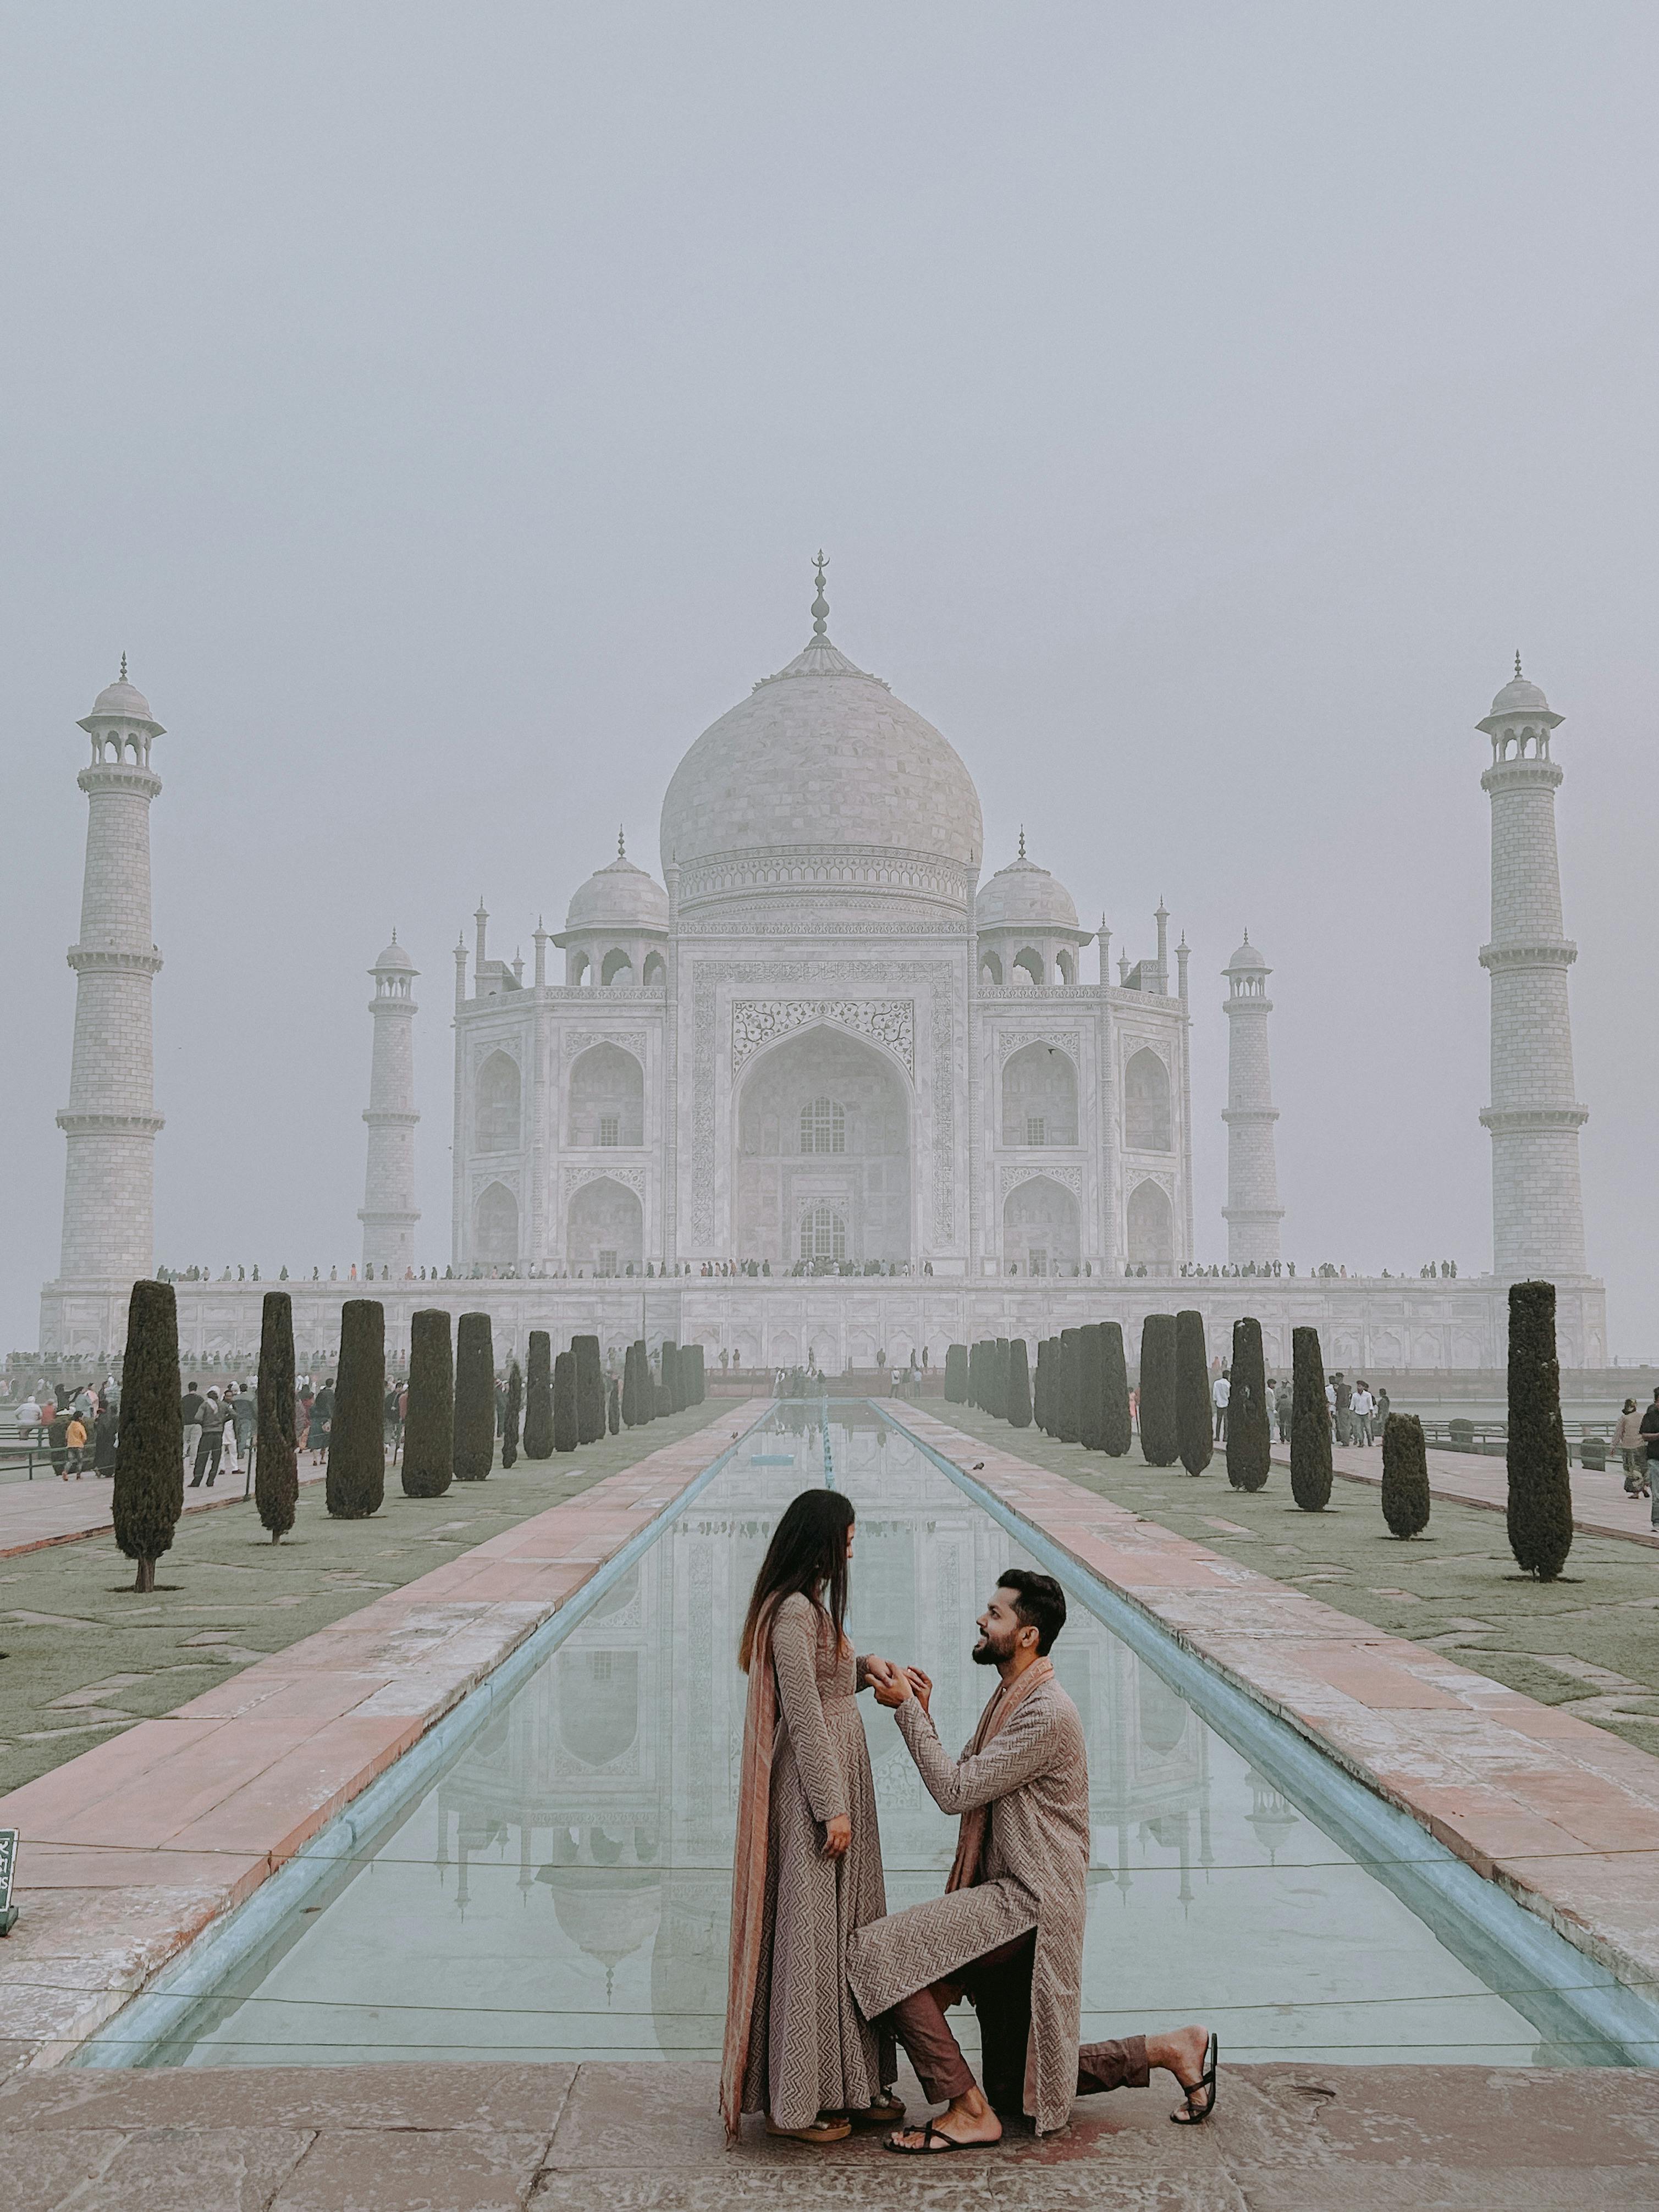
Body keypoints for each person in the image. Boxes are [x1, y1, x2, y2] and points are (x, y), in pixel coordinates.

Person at [849, 1571, 1216, 2149]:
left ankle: (968, 2112)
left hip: (1028, 1900)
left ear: (1027, 1635)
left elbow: (953, 1795)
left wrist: (907, 1716)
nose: (980, 1619)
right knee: (1017, 2078)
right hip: (1009, 1892)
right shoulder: (1011, 1697)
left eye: (994, 1614)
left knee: (877, 1954)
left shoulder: (1045, 1713)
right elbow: (967, 1778)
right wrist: (922, 1712)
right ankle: (1168, 2049)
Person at [720, 1489, 902, 2148]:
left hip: (835, 1779)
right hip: (812, 1792)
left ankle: (848, 2083)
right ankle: (796, 2103)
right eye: (847, 1534)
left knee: (841, 1935)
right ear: (821, 1539)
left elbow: (822, 1681)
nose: (853, 1544)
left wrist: (864, 1667)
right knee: (809, 1941)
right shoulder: (793, 1612)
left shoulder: (808, 1607)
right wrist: (831, 1808)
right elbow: (800, 1710)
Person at [191, 1387, 229, 1487]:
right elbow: (233, 1414)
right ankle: (211, 1480)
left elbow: (198, 1418)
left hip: (207, 1434)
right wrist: (222, 1421)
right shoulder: (223, 1405)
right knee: (216, 1458)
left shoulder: (205, 1405)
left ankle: (197, 1480)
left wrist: (205, 1423)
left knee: (202, 1457)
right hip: (218, 1434)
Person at [231, 1382, 257, 1483]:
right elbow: (254, 1409)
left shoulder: (235, 1398)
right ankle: (240, 1452)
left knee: (237, 1435)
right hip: (247, 1418)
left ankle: (238, 1449)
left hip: (237, 1418)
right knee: (244, 1435)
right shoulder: (250, 1397)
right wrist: (256, 1417)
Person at [1641, 1389, 1659, 1527]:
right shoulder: (1650, 1416)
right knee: (1658, 1493)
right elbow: (1645, 1435)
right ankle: (1657, 1522)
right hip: (1655, 1459)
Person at [181, 1380, 205, 1476]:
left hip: (186, 1423)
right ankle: (192, 1461)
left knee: (185, 1442)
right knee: (195, 1443)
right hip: (197, 1423)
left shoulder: (184, 1399)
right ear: (196, 1388)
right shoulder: (200, 1399)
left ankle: (183, 1455)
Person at [308, 1377, 334, 1466]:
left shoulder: (320, 1395)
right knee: (325, 1440)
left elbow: (312, 1409)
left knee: (315, 1439)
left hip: (316, 1421)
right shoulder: (332, 1395)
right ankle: (323, 1458)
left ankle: (315, 1459)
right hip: (326, 1421)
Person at [92, 1393, 118, 1479]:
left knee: (101, 1454)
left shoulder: (100, 1417)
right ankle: (107, 1470)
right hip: (108, 1439)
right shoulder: (109, 1417)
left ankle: (101, 1469)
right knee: (108, 1455)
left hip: (101, 1439)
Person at [1351, 1381, 1375, 1448]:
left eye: (1360, 1386)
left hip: (1366, 1413)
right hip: (1358, 1413)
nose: (1359, 1388)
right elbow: (1352, 1405)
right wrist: (1351, 1413)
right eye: (1358, 1386)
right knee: (1359, 1429)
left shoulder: (1368, 1395)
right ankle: (1361, 1442)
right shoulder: (1355, 1395)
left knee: (1368, 1428)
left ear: (1363, 1387)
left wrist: (1371, 1412)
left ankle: (1370, 1442)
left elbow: (1370, 1404)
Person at [1211, 1370, 1230, 1442]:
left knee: (1218, 1422)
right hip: (1226, 1404)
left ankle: (1217, 1436)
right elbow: (1229, 1395)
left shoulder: (1216, 1383)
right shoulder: (1228, 1384)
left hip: (1219, 1404)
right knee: (1226, 1422)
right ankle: (1225, 1437)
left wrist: (1215, 1400)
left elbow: (1214, 1393)